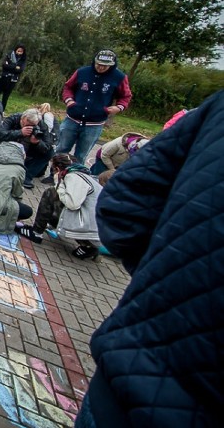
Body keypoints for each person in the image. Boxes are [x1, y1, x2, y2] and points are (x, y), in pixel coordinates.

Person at [77, 90, 223, 427]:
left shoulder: (214, 110)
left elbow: (123, 205)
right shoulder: (117, 148)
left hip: (135, 374)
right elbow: (120, 193)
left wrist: (165, 269)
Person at [16, 153, 103, 260]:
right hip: (100, 232)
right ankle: (89, 246)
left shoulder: (73, 177)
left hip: (89, 228)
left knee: (51, 192)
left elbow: (72, 204)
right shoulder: (87, 176)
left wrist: (59, 183)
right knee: (59, 200)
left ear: (57, 169)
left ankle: (36, 232)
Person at [57, 49, 132, 165]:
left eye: (105, 66)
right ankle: (54, 175)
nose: (101, 67)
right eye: (98, 64)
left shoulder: (119, 77)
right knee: (61, 149)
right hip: (72, 119)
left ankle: (76, 178)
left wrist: (119, 107)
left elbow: (125, 96)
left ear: (111, 65)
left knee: (81, 155)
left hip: (94, 124)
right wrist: (69, 100)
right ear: (94, 61)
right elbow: (68, 87)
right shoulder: (82, 72)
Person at [0, 108, 55, 188]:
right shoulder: (13, 118)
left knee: (50, 152)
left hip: (28, 153)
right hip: (9, 150)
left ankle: (27, 176)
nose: (31, 127)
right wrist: (20, 132)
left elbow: (48, 146)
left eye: (33, 125)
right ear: (23, 118)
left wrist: (37, 143)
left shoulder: (42, 125)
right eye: (28, 124)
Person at [0, 44, 27, 109]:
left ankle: (1, 110)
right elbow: (4, 66)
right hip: (3, 78)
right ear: (16, 50)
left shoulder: (23, 60)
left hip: (12, 81)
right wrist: (15, 66)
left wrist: (10, 65)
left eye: (21, 51)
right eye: (18, 51)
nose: (19, 52)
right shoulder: (8, 56)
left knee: (5, 97)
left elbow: (20, 70)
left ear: (23, 52)